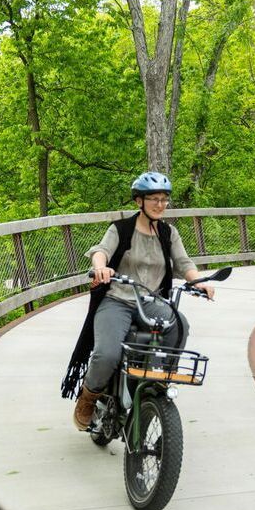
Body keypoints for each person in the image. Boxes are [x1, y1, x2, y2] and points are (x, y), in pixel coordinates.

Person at [65, 171, 214, 430]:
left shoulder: (169, 233)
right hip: (117, 300)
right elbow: (101, 252)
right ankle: (89, 397)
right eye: (154, 199)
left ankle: (157, 384)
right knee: (107, 353)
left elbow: (183, 263)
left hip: (150, 300)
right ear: (139, 202)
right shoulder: (121, 229)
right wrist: (101, 268)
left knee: (180, 325)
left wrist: (198, 281)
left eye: (164, 199)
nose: (160, 204)